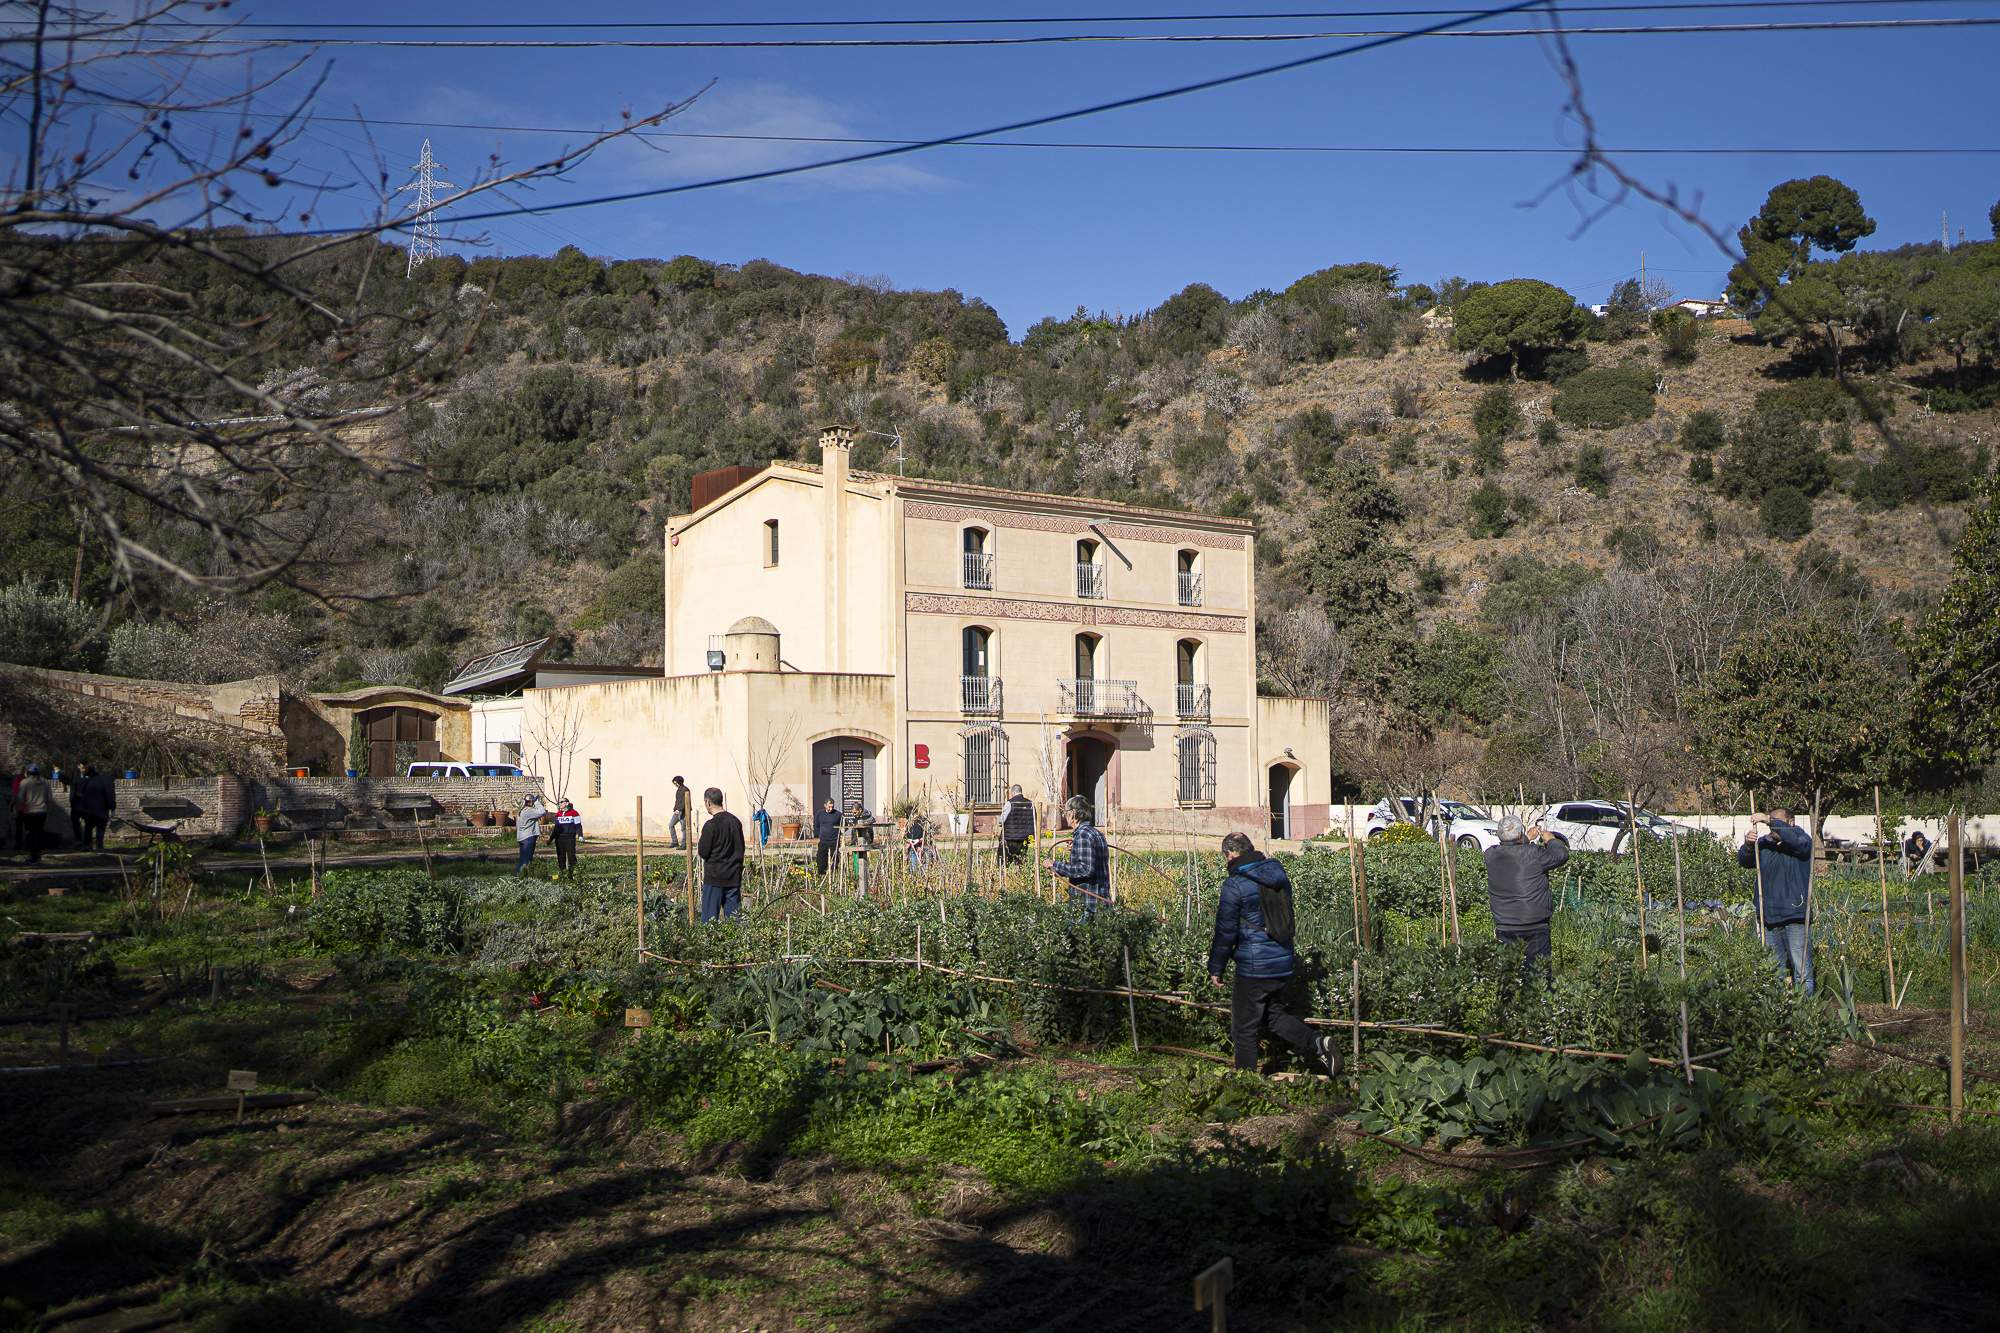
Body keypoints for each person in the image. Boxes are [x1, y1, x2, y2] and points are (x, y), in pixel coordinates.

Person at [1207, 831, 1342, 1076]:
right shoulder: (1278, 874)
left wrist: (1216, 967)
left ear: (1230, 854)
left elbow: (1226, 931)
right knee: (1274, 1017)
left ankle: (1245, 1083)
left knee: (1244, 1028)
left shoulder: (1235, 884)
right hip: (1281, 960)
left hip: (1254, 965)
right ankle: (1318, 1044)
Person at [1481, 815, 1569, 973]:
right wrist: (1551, 840)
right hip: (1534, 924)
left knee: (1509, 973)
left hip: (1505, 925)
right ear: (1520, 834)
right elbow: (1561, 856)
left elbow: (1512, 849)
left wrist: (1526, 838)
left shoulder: (1490, 855)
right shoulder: (1534, 854)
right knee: (1538, 974)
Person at [1739, 809, 1814, 995]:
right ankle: (1777, 1013)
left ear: (1791, 823)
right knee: (1774, 971)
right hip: (1768, 916)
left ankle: (1806, 1015)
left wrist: (1767, 819)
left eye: (1777, 822)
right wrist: (1748, 846)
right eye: (1772, 822)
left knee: (1802, 971)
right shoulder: (1764, 844)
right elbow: (1745, 861)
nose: (1773, 826)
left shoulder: (1801, 840)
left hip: (1795, 914)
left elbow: (1794, 840)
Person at [1049, 795, 1110, 911]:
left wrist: (1055, 865)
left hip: (1088, 904)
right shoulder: (1095, 833)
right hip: (1100, 900)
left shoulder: (1083, 835)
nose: (1064, 816)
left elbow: (1086, 869)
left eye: (1066, 812)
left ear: (1073, 813)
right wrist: (1076, 850)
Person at [697, 786, 745, 921]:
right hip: (733, 878)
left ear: (708, 802)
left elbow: (703, 852)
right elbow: (741, 848)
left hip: (714, 879)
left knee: (709, 924)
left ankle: (711, 943)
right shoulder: (735, 822)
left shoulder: (711, 825)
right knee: (734, 924)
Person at [14, 763, 52, 864]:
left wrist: (19, 809)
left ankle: (33, 856)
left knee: (31, 833)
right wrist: (48, 809)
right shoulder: (45, 782)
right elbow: (49, 798)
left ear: (29, 772)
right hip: (42, 811)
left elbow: (20, 797)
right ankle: (38, 854)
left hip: (29, 812)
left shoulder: (25, 782)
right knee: (39, 832)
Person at [72, 764, 114, 851]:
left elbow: (84, 794)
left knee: (88, 828)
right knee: (100, 829)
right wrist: (112, 807)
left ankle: (87, 845)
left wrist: (82, 808)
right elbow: (110, 794)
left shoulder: (90, 780)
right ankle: (99, 846)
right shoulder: (108, 780)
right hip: (101, 808)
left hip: (89, 809)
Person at [1000, 784, 1035, 865]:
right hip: (1025, 838)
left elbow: (1001, 820)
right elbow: (1034, 820)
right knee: (1021, 861)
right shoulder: (1030, 804)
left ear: (1013, 792)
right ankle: (1019, 874)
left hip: (1010, 838)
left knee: (1007, 861)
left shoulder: (1009, 803)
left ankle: (1008, 876)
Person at [515, 795, 546, 874]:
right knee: (526, 860)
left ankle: (520, 875)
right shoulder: (528, 811)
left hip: (522, 837)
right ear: (530, 802)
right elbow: (542, 812)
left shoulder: (522, 810)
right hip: (528, 837)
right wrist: (536, 801)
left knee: (523, 859)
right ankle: (522, 877)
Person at [813, 797, 842, 877]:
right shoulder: (819, 814)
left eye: (832, 806)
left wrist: (840, 833)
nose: (831, 808)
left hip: (834, 840)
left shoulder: (838, 814)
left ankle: (834, 873)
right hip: (823, 840)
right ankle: (822, 874)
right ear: (825, 805)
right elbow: (816, 825)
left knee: (835, 858)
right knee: (821, 858)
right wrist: (817, 835)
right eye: (829, 806)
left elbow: (844, 826)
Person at [552, 798, 583, 872]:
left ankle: (573, 873)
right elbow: (556, 828)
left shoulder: (574, 813)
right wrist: (551, 838)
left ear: (566, 803)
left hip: (570, 838)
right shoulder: (558, 814)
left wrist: (580, 835)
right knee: (561, 857)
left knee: (571, 856)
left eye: (561, 802)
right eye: (559, 802)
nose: (559, 803)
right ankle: (563, 873)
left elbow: (578, 825)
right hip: (559, 839)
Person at [669, 776, 690, 849]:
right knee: (671, 825)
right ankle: (675, 842)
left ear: (679, 782)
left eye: (676, 783)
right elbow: (677, 801)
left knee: (683, 829)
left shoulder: (686, 790)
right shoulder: (678, 790)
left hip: (683, 812)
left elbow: (686, 802)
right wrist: (675, 809)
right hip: (677, 812)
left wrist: (680, 809)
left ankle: (684, 845)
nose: (675, 784)